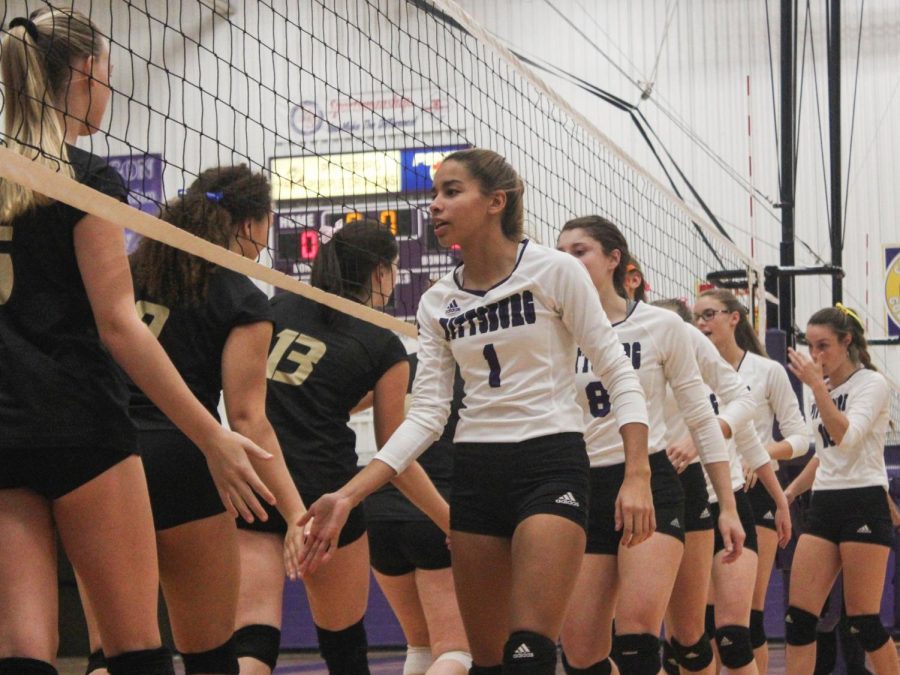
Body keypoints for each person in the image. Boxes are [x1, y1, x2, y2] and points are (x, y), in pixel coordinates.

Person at [297, 148, 651, 675]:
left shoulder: (554, 272)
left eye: (451, 191)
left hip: (550, 463)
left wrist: (637, 473)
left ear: (495, 202)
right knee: (487, 663)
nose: (434, 206)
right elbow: (426, 417)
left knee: (528, 653)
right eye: (435, 193)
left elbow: (619, 373)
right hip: (476, 475)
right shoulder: (437, 301)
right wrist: (348, 495)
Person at [0, 9, 271, 675]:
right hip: (83, 425)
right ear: (87, 73)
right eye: (109, 76)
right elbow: (120, 324)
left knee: (22, 649)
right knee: (133, 648)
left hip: (4, 426)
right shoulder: (85, 179)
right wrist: (211, 436)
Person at [80, 166, 308, 674]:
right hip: (184, 459)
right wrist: (294, 512)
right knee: (210, 658)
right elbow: (248, 420)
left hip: (105, 459)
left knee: (110, 655)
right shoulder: (242, 297)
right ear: (250, 224)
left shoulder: (121, 270)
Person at [235, 218, 450, 675]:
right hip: (323, 491)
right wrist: (447, 518)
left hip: (255, 478)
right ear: (379, 272)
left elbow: (293, 393)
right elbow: (396, 454)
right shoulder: (382, 344)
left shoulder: (280, 306)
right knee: (344, 646)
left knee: (252, 638)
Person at [555, 217, 743, 675]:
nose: (567, 261)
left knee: (638, 637)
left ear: (614, 258)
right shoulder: (555, 331)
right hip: (583, 487)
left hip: (650, 481)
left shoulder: (662, 326)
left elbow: (700, 416)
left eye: (579, 251)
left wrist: (728, 507)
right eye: (560, 252)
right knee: (581, 653)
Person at [654, 297, 790, 675]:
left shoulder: (715, 382)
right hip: (676, 506)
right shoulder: (647, 385)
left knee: (733, 637)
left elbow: (751, 444)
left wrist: (781, 501)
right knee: (684, 640)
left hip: (726, 504)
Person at [693, 288, 810, 672]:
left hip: (755, 492)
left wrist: (760, 455)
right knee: (702, 625)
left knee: (746, 624)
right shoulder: (688, 368)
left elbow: (800, 438)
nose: (701, 323)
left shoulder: (767, 371)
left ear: (734, 318)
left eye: (709, 314)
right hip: (704, 490)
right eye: (697, 317)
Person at [783, 305, 898, 675]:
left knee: (863, 621)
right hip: (824, 503)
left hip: (863, 501)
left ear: (847, 342)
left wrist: (816, 387)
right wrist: (788, 493)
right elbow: (825, 453)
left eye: (824, 346)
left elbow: (846, 437)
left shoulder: (871, 384)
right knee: (798, 620)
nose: (816, 356)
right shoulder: (822, 389)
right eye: (810, 347)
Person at [365, 363, 471, 675]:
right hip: (439, 514)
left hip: (380, 516)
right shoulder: (481, 368)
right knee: (457, 650)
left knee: (421, 646)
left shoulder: (399, 364)